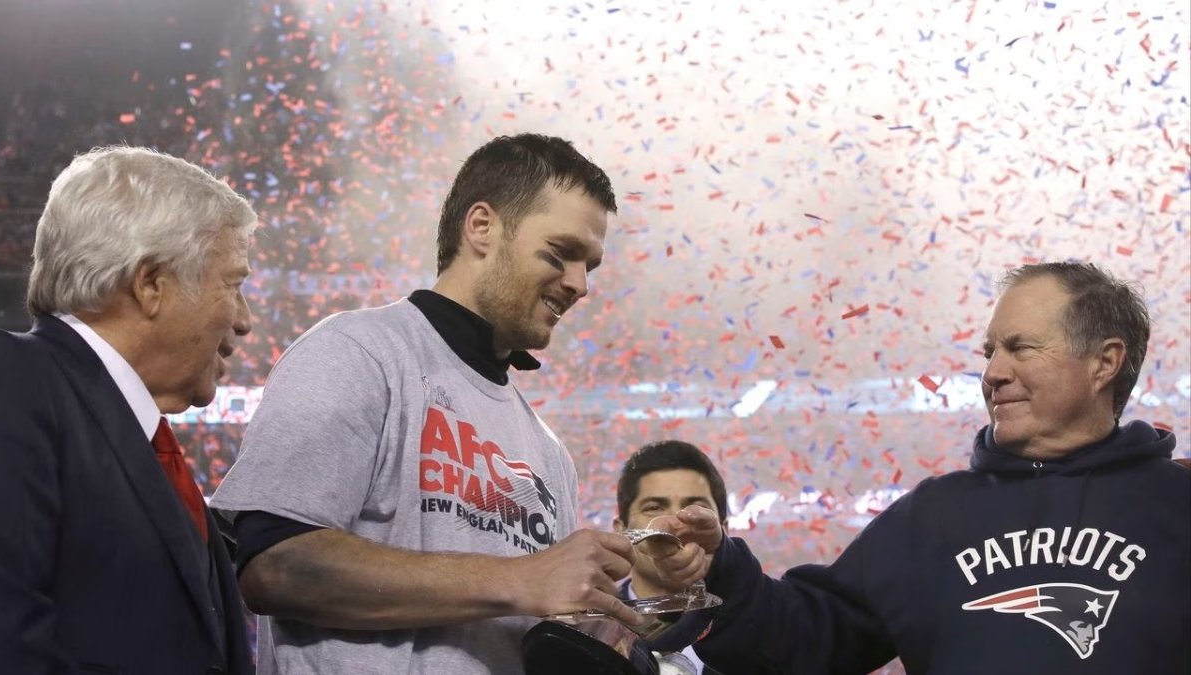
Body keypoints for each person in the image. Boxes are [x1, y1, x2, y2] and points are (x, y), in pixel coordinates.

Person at [208, 133, 642, 674]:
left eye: (590, 267)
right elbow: (275, 566)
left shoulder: (549, 453)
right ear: (481, 227)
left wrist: (640, 608)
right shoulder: (357, 351)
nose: (579, 284)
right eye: (561, 253)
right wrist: (521, 579)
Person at [654, 262, 1191, 674]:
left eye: (1021, 348)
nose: (993, 373)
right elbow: (804, 637)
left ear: (1104, 362)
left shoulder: (1178, 505)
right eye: (990, 352)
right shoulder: (930, 518)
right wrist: (719, 568)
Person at [0, 146, 258, 673]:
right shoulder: (10, 381)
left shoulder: (141, 441)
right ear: (151, 283)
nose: (244, 320)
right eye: (232, 285)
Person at [614, 440, 729, 675]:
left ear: (723, 532)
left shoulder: (768, 640)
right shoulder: (582, 634)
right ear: (620, 530)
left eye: (695, 509)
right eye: (654, 507)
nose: (674, 524)